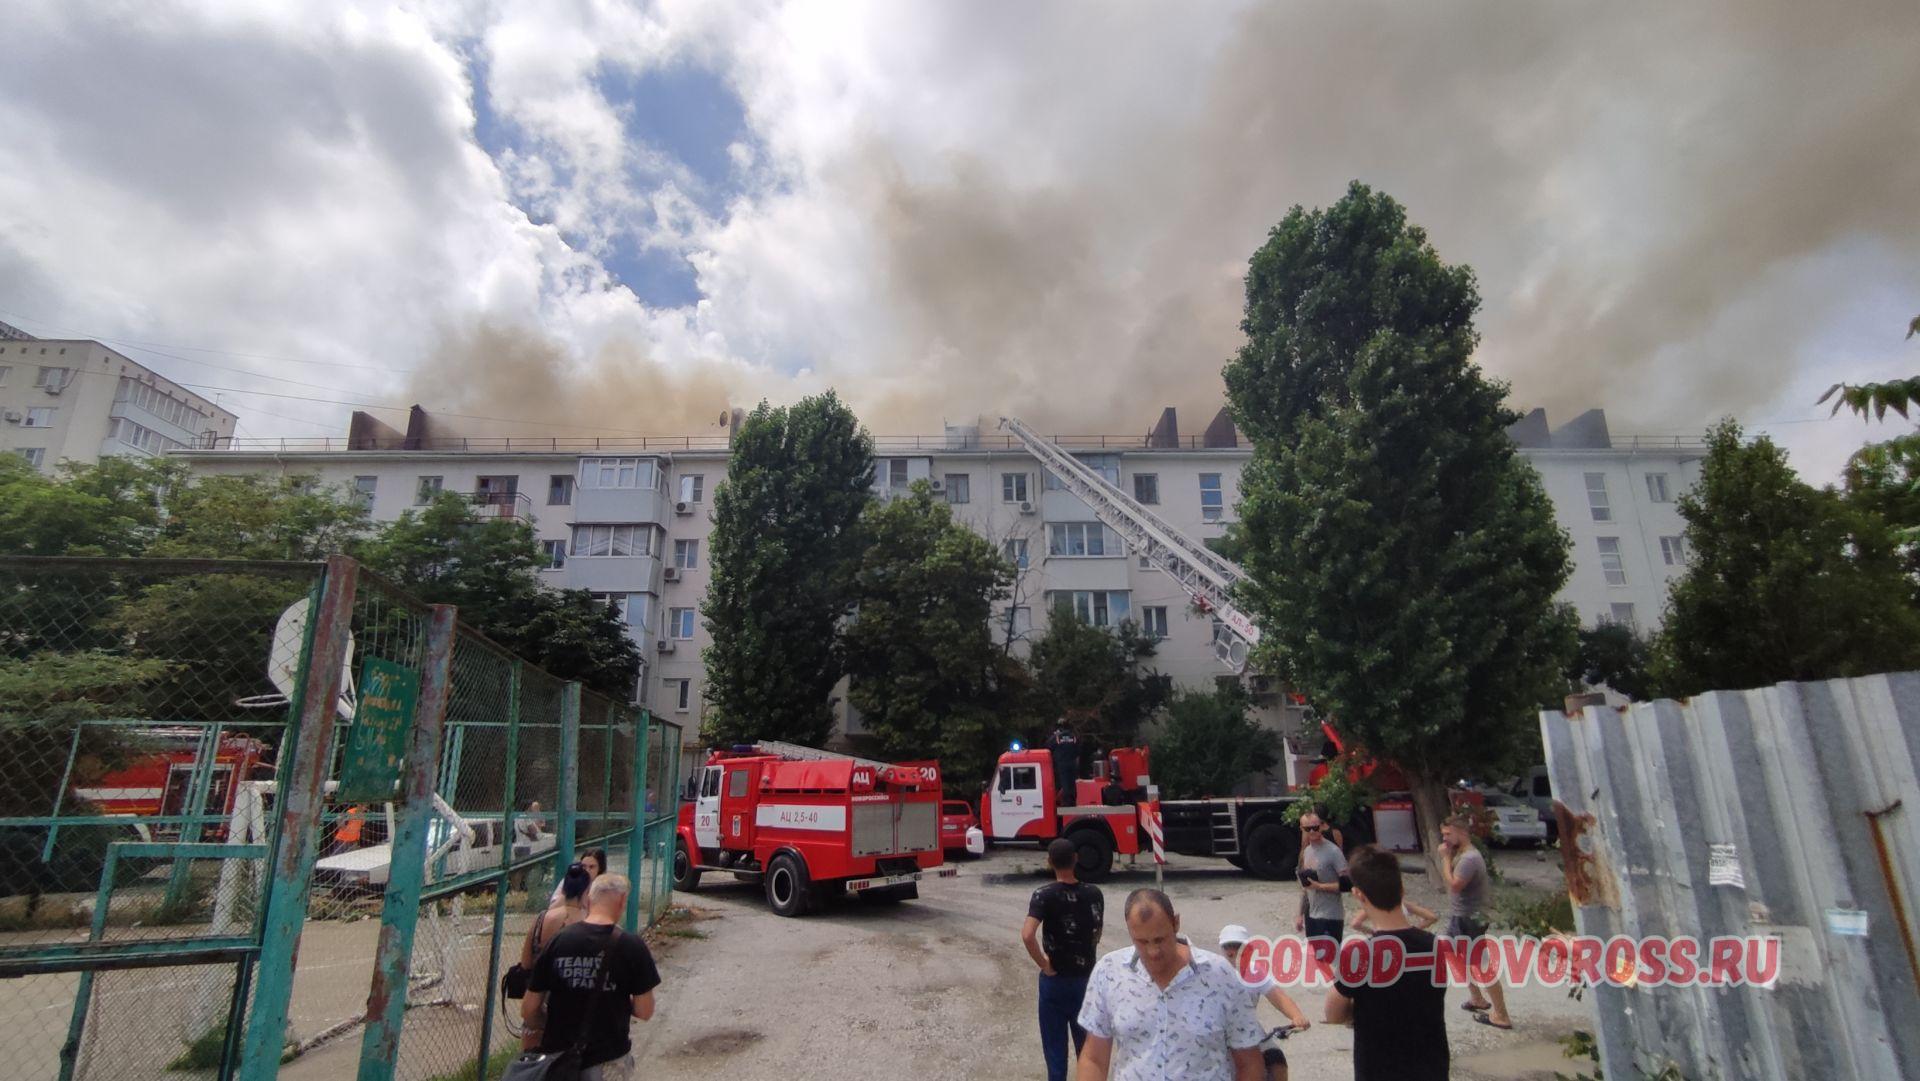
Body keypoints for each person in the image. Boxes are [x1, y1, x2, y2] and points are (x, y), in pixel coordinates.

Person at [1076, 889, 1265, 1081]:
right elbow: (1094, 1059)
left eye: (1160, 939)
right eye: (1142, 941)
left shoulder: (1221, 975)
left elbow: (1249, 1062)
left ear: (1176, 923)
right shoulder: (1109, 972)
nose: (1153, 952)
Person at [1325, 845, 1448, 1081]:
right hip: (1431, 1066)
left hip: (1378, 1068)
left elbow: (1333, 1013)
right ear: (1402, 890)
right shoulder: (1432, 945)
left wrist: (1359, 1013)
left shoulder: (1360, 954)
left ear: (1359, 895)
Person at [522, 874, 661, 1079]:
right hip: (608, 1059)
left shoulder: (559, 940)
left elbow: (529, 1008)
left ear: (588, 900)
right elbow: (645, 1010)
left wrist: (548, 1023)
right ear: (622, 901)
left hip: (559, 1060)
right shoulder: (632, 946)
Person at [1023, 837, 1106, 1081]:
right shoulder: (1094, 893)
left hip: (1055, 980)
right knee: (1088, 1053)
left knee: (1055, 1053)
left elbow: (1028, 934)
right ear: (1076, 859)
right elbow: (1096, 930)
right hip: (1086, 981)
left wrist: (1043, 963)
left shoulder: (1043, 896)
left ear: (1050, 862)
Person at [1442, 813, 1511, 1030]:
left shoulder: (1469, 858)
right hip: (1461, 916)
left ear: (1461, 832)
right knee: (1455, 955)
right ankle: (1477, 998)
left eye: (1447, 834)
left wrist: (1444, 858)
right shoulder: (1461, 854)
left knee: (1481, 964)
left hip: (1470, 918)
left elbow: (1454, 885)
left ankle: (1501, 1014)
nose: (1444, 839)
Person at [1217, 925, 1311, 1081]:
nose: (1232, 951)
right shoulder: (1212, 972)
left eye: (1237, 945)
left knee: (1276, 1060)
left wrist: (1297, 1016)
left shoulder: (1255, 971)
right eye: (1227, 946)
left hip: (1251, 1030)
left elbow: (1277, 995)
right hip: (1220, 1033)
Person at [519, 862, 592, 979]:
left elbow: (526, 964)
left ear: (563, 890)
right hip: (576, 992)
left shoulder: (541, 919)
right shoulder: (589, 921)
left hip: (540, 990)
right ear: (586, 892)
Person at [1294, 811, 1349, 944]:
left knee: (1330, 960)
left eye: (1315, 827)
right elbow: (1306, 888)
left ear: (1322, 826)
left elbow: (1347, 884)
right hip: (1311, 915)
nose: (1312, 831)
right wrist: (1299, 914)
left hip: (1331, 915)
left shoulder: (1333, 852)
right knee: (1314, 960)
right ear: (1302, 829)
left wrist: (1319, 886)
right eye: (1308, 829)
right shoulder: (1306, 852)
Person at [1350, 896, 1438, 935]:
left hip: (1382, 938)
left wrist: (1373, 932)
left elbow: (1355, 924)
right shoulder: (1403, 904)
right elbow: (1432, 917)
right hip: (1405, 937)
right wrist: (1414, 929)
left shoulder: (1373, 905)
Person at [1048, 721, 1081, 807]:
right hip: (1072, 762)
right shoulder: (1074, 737)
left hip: (1062, 763)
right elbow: (1078, 749)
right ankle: (1073, 801)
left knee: (1064, 782)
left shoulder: (1057, 737)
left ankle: (1067, 802)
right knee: (1072, 782)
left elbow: (1049, 746)